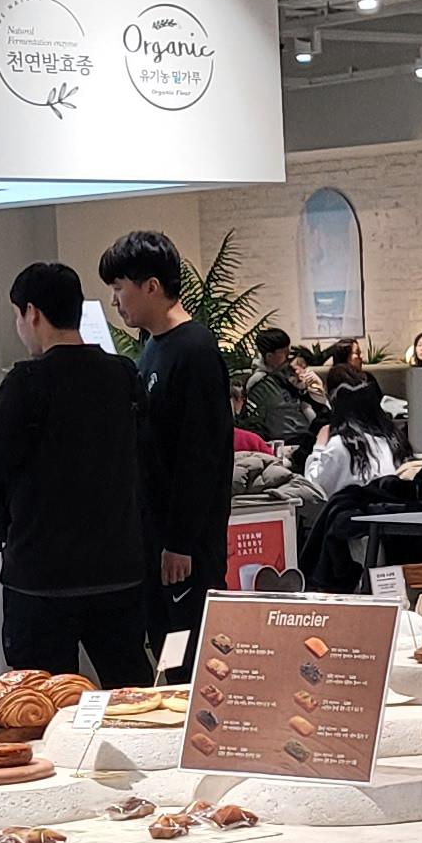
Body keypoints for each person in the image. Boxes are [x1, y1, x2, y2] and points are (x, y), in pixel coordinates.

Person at [0, 262, 153, 683]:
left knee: (41, 699)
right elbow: (146, 454)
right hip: (118, 569)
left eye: (18, 316)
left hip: (42, 575)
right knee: (131, 690)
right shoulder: (122, 374)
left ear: (32, 313)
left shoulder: (28, 381)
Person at [97, 226, 234, 663]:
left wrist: (180, 542)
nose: (115, 301)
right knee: (165, 648)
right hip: (155, 534)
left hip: (187, 547)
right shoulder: (154, 348)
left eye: (120, 288)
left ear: (151, 286)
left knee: (188, 656)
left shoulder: (195, 351)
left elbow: (200, 455)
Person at [238, 326, 322, 456]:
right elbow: (256, 422)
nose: (288, 356)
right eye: (284, 352)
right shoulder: (259, 383)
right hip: (284, 442)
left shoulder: (289, 372)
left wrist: (305, 388)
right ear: (269, 356)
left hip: (305, 435)